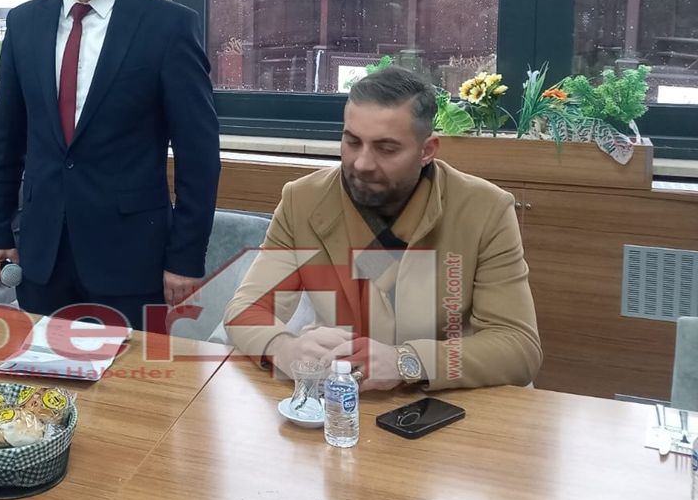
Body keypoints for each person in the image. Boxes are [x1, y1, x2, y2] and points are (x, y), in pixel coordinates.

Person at [0, 0, 221, 331]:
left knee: (132, 376)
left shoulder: (168, 28)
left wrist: (185, 257)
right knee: (41, 374)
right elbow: (7, 142)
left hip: (132, 261)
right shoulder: (23, 24)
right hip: (42, 257)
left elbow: (199, 156)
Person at [224, 67, 542, 391]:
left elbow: (518, 347)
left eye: (386, 149)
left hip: (448, 402)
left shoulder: (485, 209)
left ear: (427, 150)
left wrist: (408, 361)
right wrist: (284, 348)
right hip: (341, 400)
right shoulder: (302, 200)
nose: (362, 163)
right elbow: (245, 310)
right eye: (352, 142)